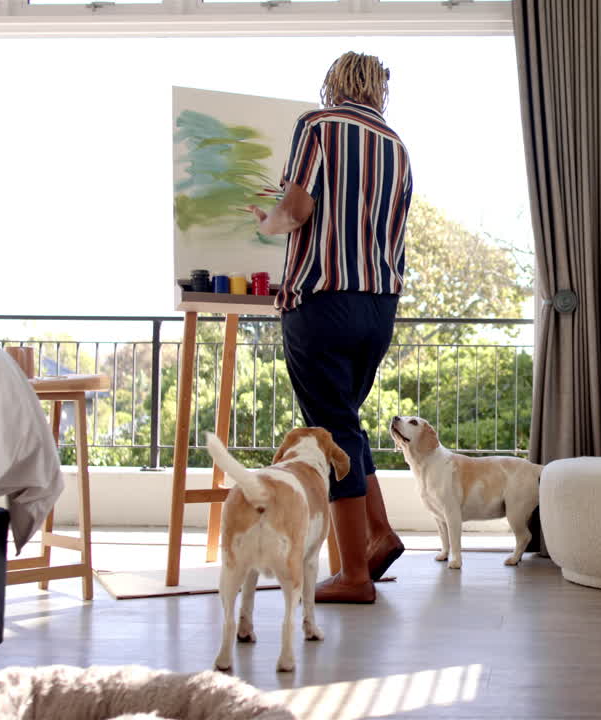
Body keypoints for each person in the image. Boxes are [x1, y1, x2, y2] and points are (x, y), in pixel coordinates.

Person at [249, 51, 410, 604]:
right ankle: (379, 535)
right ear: (377, 89)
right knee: (346, 421)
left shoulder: (317, 125)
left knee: (331, 431)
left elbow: (296, 209)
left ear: (335, 82)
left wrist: (268, 221)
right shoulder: (397, 146)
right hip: (378, 308)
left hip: (322, 300)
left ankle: (354, 577)